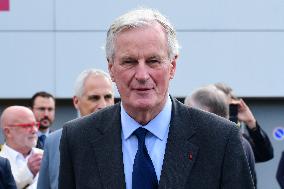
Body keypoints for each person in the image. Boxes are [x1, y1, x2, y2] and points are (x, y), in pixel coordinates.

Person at [59, 8, 254, 189]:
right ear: (111, 69)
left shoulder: (220, 138)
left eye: (153, 61)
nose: (142, 75)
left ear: (172, 66)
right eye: (129, 62)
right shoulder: (78, 138)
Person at [37, 69, 114, 189]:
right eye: (94, 98)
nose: (103, 105)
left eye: (108, 97)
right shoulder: (54, 142)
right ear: (76, 101)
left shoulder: (125, 137)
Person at [184, 85, 257, 188]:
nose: (185, 115)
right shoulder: (241, 142)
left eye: (190, 110)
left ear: (206, 112)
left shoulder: (225, 144)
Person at [214, 82, 274, 163]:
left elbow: (266, 154)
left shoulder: (242, 140)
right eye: (222, 107)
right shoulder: (200, 138)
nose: (226, 112)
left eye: (229, 108)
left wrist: (251, 122)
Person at [0, 106, 43, 189]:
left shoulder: (47, 155)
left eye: (35, 125)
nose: (34, 130)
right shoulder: (1, 162)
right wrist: (28, 172)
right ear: (8, 132)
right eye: (27, 126)